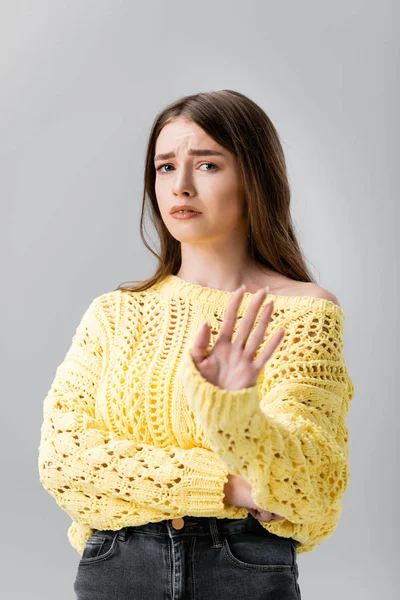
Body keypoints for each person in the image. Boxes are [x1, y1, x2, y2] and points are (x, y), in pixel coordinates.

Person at [38, 89, 354, 599]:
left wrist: (233, 409)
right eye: (165, 168)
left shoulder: (303, 314)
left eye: (206, 165)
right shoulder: (115, 314)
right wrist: (228, 487)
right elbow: (64, 461)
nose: (180, 186)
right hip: (118, 568)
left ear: (255, 176)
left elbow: (311, 485)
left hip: (242, 569)